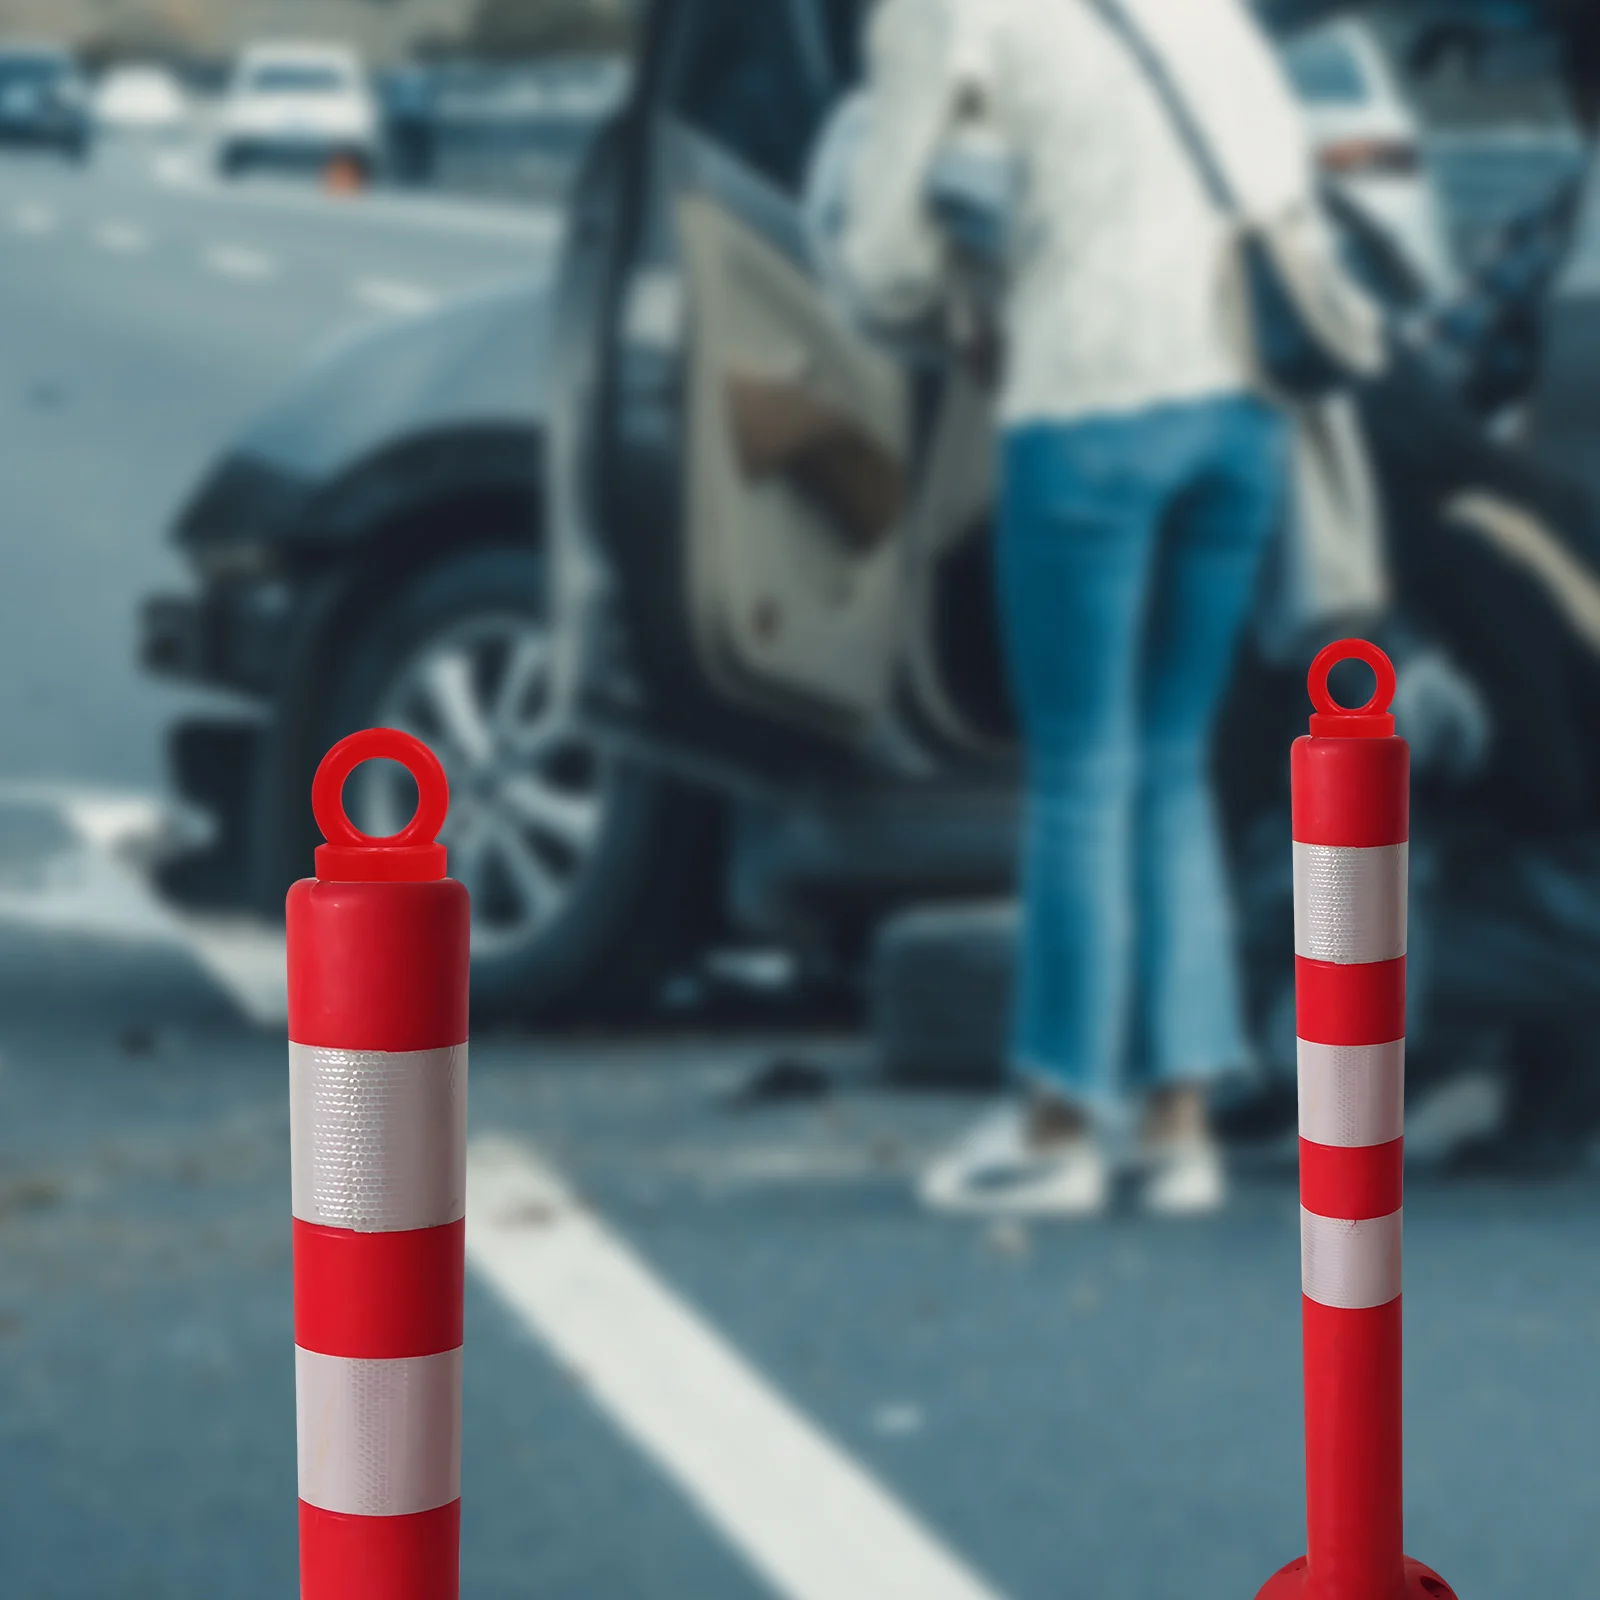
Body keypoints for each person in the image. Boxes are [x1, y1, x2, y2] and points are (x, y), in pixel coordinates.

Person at [836, 0, 1326, 1216]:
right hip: (1242, 414)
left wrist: (961, 306)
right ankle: (1179, 1128)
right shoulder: (1211, 16)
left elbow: (883, 258)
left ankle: (1056, 1122)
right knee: (1172, 761)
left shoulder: (948, 15)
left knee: (1079, 771)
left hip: (1089, 404)